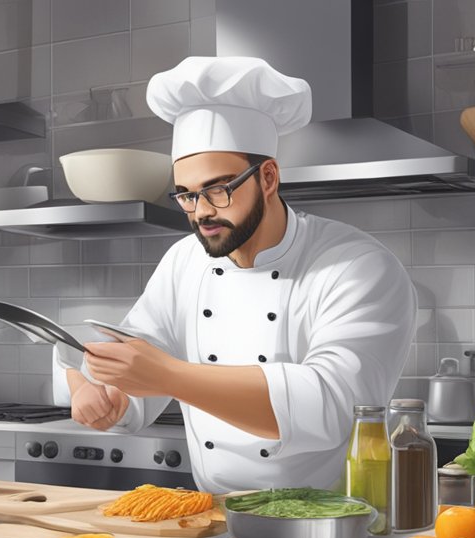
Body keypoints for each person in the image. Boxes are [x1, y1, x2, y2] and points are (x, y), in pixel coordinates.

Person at [55, 57, 417, 493]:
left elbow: (332, 402)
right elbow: (139, 357)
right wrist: (107, 397)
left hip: (329, 524)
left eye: (218, 189)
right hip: (213, 519)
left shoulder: (357, 265)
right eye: (186, 195)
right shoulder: (183, 261)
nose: (202, 211)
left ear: (268, 177)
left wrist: (168, 375)